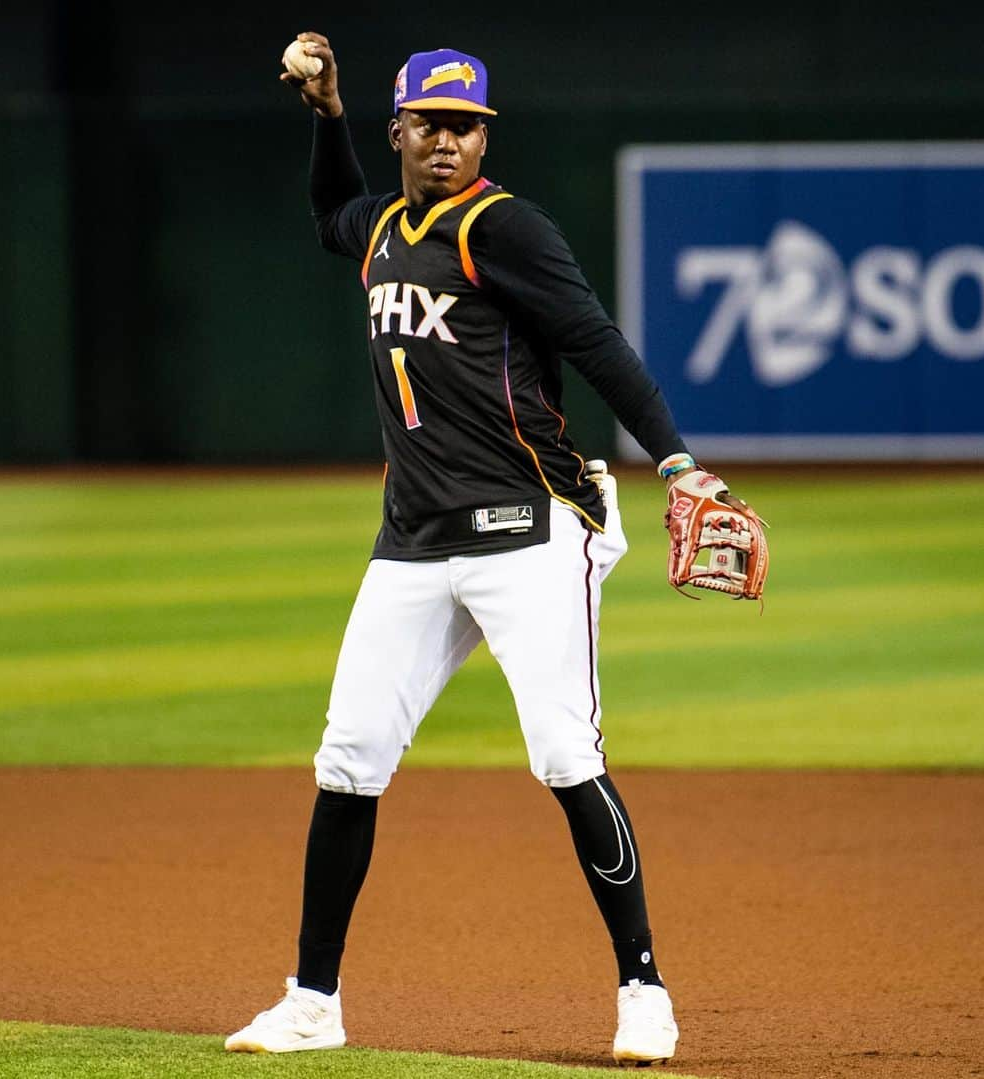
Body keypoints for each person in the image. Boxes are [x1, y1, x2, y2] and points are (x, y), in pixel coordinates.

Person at [226, 31, 748, 1065]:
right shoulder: (380, 228)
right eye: (432, 124)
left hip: (528, 530)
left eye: (467, 126)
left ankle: (644, 988)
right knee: (348, 759)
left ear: (481, 136)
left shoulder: (504, 229)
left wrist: (679, 462)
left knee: (564, 751)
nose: (450, 142)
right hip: (413, 541)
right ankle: (312, 1000)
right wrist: (326, 115)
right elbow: (334, 212)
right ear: (402, 130)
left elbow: (597, 343)